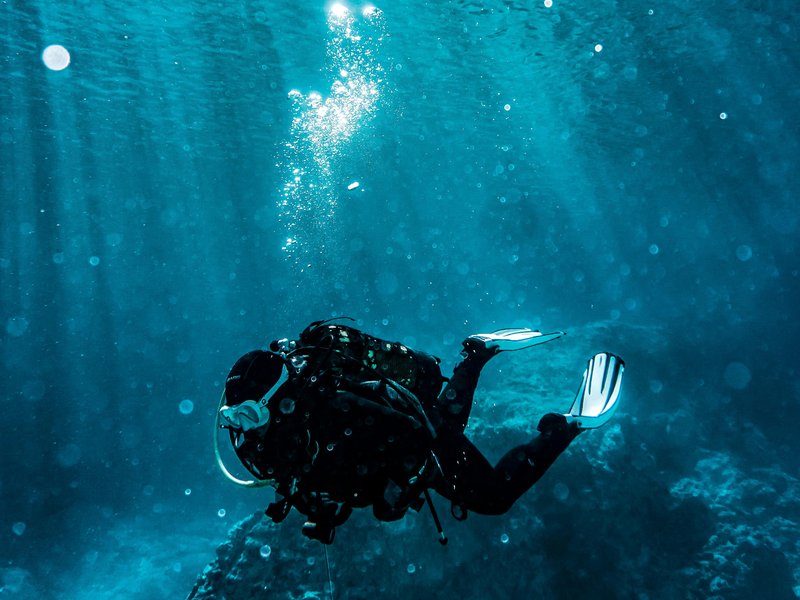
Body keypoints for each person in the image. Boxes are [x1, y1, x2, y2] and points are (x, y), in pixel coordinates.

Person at [214, 318, 624, 544]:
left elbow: (415, 434)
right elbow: (306, 476)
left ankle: (566, 426)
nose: (242, 429)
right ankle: (477, 354)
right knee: (447, 420)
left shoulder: (338, 408)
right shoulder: (259, 440)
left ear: (280, 398)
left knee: (492, 495)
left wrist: (401, 486)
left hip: (409, 432)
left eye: (248, 414)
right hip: (388, 444)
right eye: (233, 417)